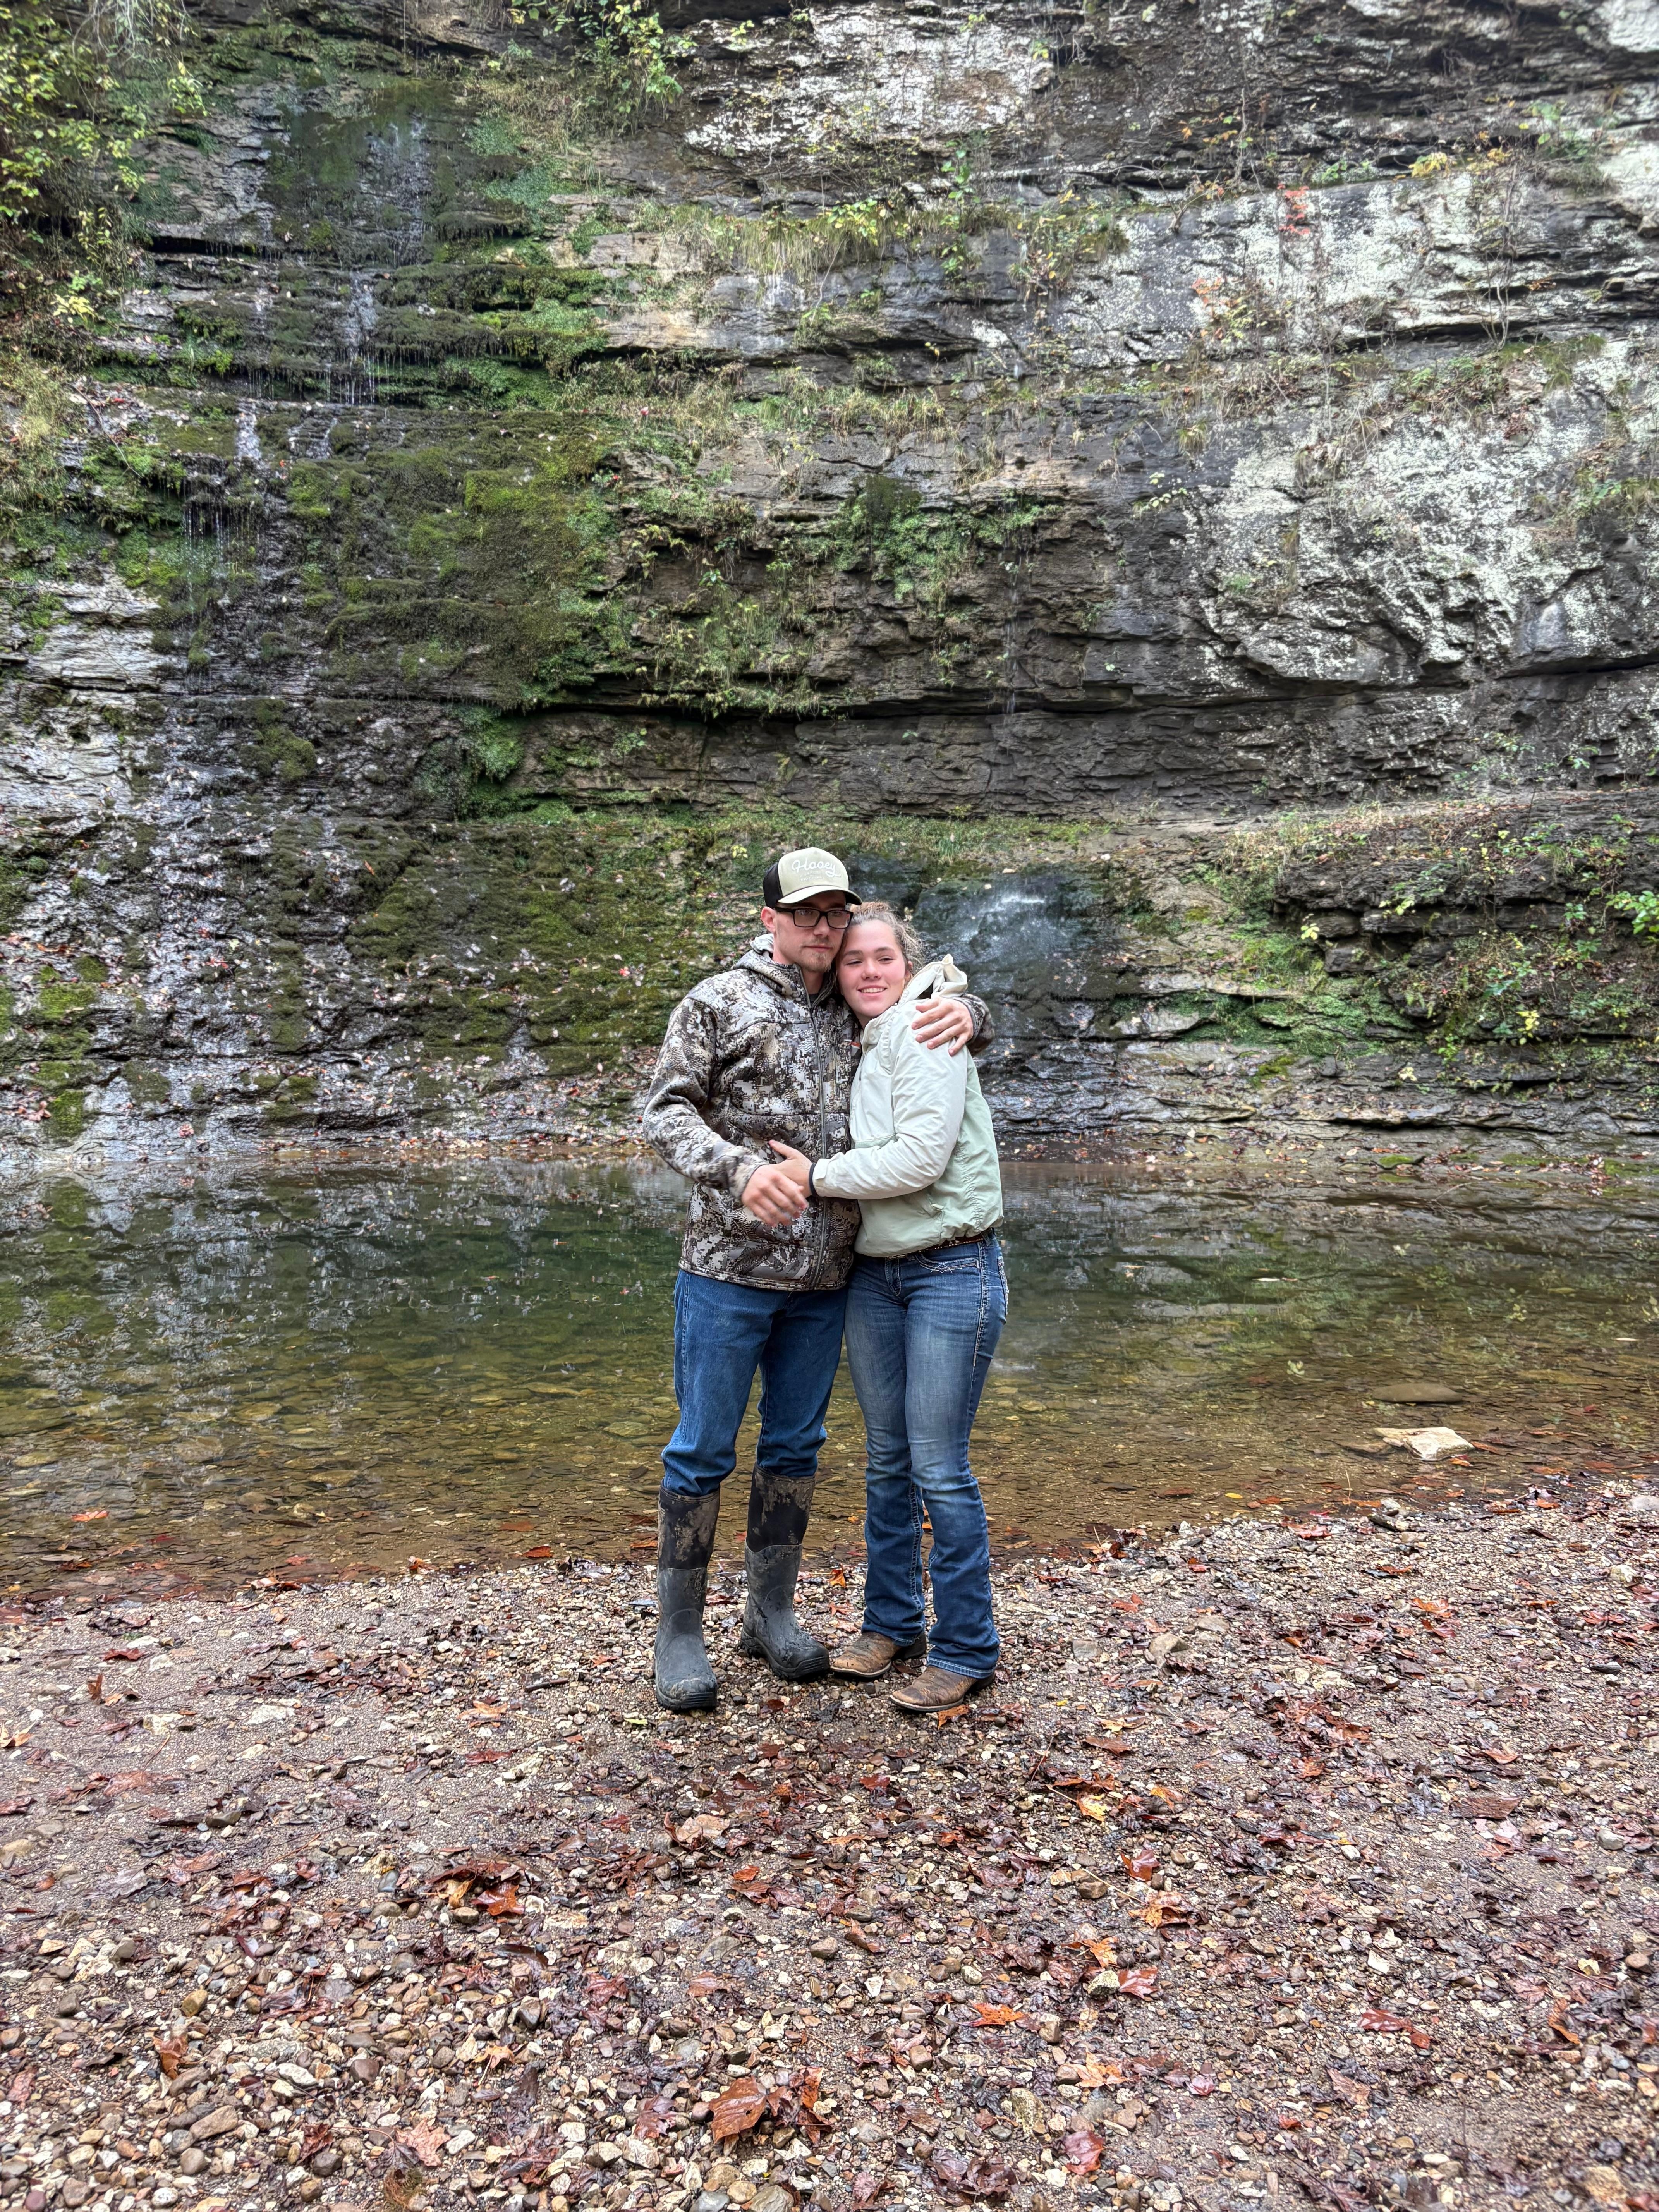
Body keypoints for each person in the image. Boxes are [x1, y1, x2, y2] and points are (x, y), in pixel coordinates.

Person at [640, 849, 992, 1714]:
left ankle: (769, 1612)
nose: (826, 927)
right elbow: (662, 1111)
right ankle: (679, 1635)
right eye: (807, 913)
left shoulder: (854, 1003)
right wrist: (731, 1169)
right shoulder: (716, 1001)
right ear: (770, 919)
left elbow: (926, 1001)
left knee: (797, 1448)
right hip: (729, 1268)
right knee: (703, 1448)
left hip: (830, 1276)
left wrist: (975, 1011)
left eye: (834, 912)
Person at [767, 902, 1005, 1714]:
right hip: (877, 1275)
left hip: (952, 1269)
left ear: (911, 968)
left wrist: (815, 1177)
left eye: (884, 959)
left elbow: (921, 1159)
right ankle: (892, 1624)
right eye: (854, 961)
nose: (869, 971)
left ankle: (969, 1647)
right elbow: (776, 951)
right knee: (888, 1461)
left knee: (940, 1466)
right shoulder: (861, 1039)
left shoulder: (928, 1030)